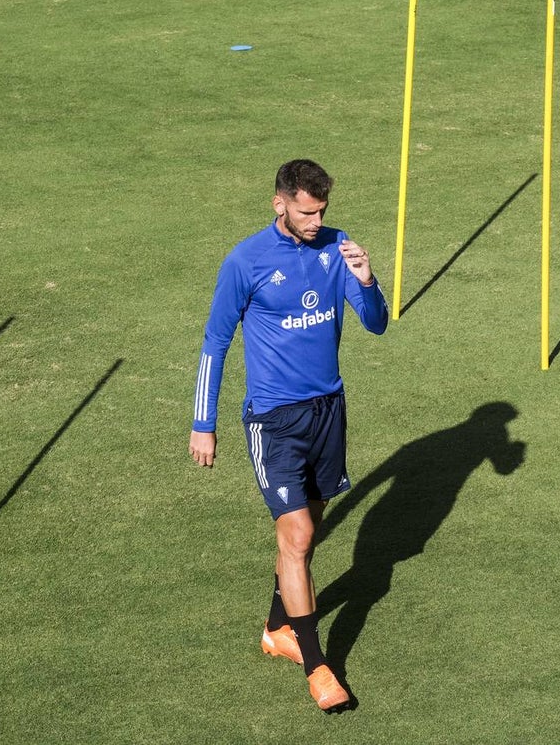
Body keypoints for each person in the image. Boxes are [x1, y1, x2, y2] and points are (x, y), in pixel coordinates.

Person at [189, 159, 388, 712]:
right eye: (307, 211)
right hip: (273, 420)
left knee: (311, 527)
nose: (316, 220)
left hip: (328, 411)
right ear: (280, 203)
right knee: (297, 536)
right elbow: (214, 342)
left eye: (323, 210)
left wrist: (367, 280)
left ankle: (278, 630)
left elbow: (376, 322)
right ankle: (319, 664)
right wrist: (203, 424)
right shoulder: (245, 260)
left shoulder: (337, 245)